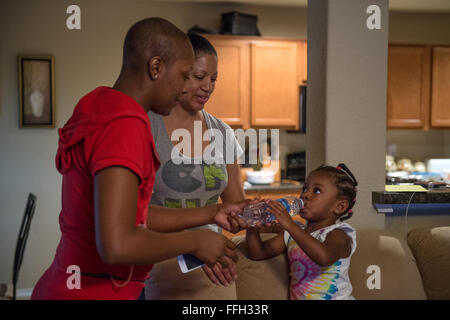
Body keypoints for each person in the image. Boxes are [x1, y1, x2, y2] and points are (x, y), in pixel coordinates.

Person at [31, 18, 246, 300]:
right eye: (185, 75)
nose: (186, 87)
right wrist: (195, 240)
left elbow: (132, 213)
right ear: (156, 68)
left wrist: (209, 214)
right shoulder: (126, 123)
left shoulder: (98, 104)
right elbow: (117, 244)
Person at [144, 33, 247, 299]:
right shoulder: (145, 126)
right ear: (176, 73)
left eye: (213, 79)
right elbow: (133, 216)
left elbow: (235, 206)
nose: (208, 87)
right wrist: (191, 245)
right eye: (199, 77)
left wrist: (265, 216)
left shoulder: (223, 133)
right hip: (160, 259)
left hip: (214, 263)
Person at [245, 163, 358, 300]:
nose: (305, 195)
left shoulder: (338, 234)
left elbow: (324, 257)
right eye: (305, 188)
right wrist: (252, 226)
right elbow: (258, 253)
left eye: (316, 191)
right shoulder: (290, 234)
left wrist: (290, 225)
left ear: (339, 207)